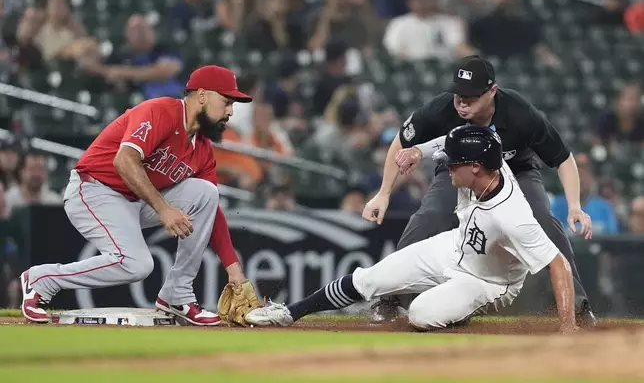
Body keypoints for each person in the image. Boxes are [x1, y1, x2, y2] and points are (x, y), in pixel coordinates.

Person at [245, 125, 580, 334]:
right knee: (369, 278)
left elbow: (557, 264)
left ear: (476, 167)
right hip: (453, 246)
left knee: (421, 315)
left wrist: (568, 327)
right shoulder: (485, 157)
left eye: (454, 162)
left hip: (488, 282)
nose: (447, 165)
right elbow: (452, 141)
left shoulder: (513, 216)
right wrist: (418, 151)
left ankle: (455, 314)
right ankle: (290, 313)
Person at [362, 55, 596, 326]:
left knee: (545, 221)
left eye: (471, 96)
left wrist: (574, 205)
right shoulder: (440, 109)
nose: (462, 102)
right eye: (458, 95)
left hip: (517, 171)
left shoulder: (519, 112)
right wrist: (384, 193)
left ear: (492, 92)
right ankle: (389, 299)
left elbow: (563, 159)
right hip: (459, 171)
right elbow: (401, 142)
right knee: (430, 216)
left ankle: (578, 306)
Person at [20, 65, 258, 326]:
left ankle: (177, 294)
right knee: (137, 265)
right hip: (94, 188)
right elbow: (125, 161)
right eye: (226, 101)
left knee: (206, 193)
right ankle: (42, 279)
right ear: (202, 95)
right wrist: (163, 208)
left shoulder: (202, 149)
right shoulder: (160, 111)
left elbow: (210, 210)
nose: (230, 111)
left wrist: (233, 268)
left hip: (136, 200)